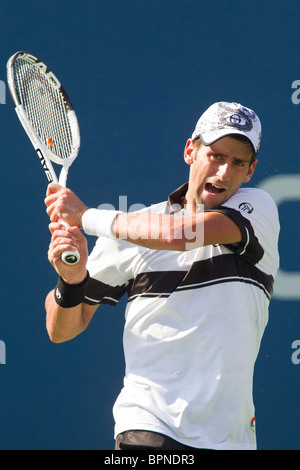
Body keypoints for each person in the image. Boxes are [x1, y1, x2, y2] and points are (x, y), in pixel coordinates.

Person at [44, 102, 280, 451]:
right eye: (215, 155)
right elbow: (61, 329)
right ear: (190, 151)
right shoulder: (131, 233)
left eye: (238, 162)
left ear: (250, 171)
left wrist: (86, 217)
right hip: (147, 428)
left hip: (233, 441)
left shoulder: (257, 209)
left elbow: (179, 235)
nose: (224, 171)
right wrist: (72, 279)